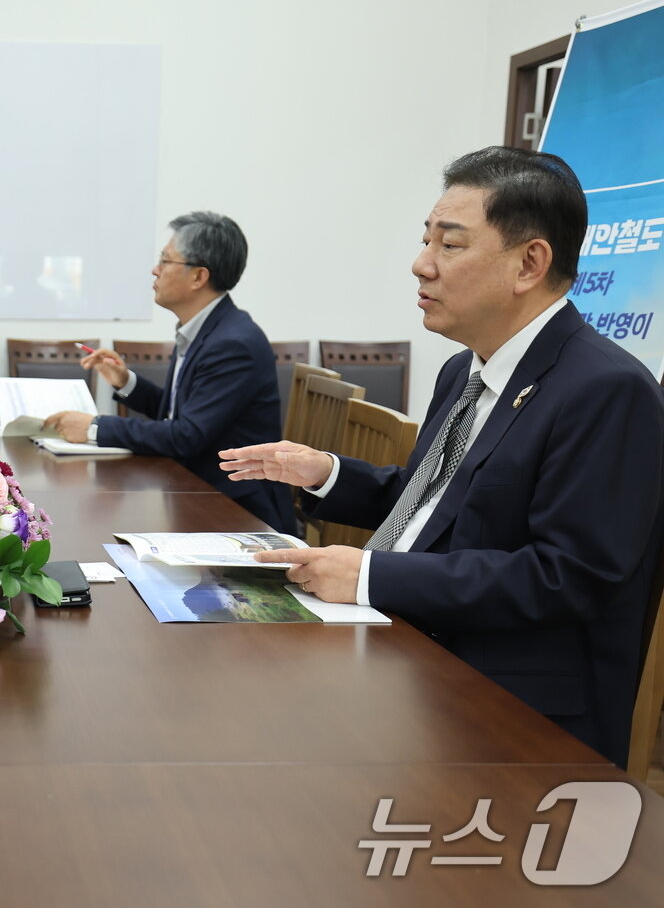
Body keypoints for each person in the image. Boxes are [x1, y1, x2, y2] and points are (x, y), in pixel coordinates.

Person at [219, 146, 664, 767]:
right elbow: (438, 500)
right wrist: (327, 473)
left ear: (530, 263)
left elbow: (566, 577)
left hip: (511, 712)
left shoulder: (607, 390)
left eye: (449, 246)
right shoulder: (466, 369)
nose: (420, 265)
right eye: (426, 241)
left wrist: (372, 577)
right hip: (410, 646)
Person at [43, 211, 294, 534]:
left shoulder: (233, 343)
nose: (155, 270)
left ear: (198, 277)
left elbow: (186, 436)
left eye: (165, 260)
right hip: (194, 490)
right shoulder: (206, 328)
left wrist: (94, 427)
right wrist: (126, 381)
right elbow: (184, 414)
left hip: (236, 512)